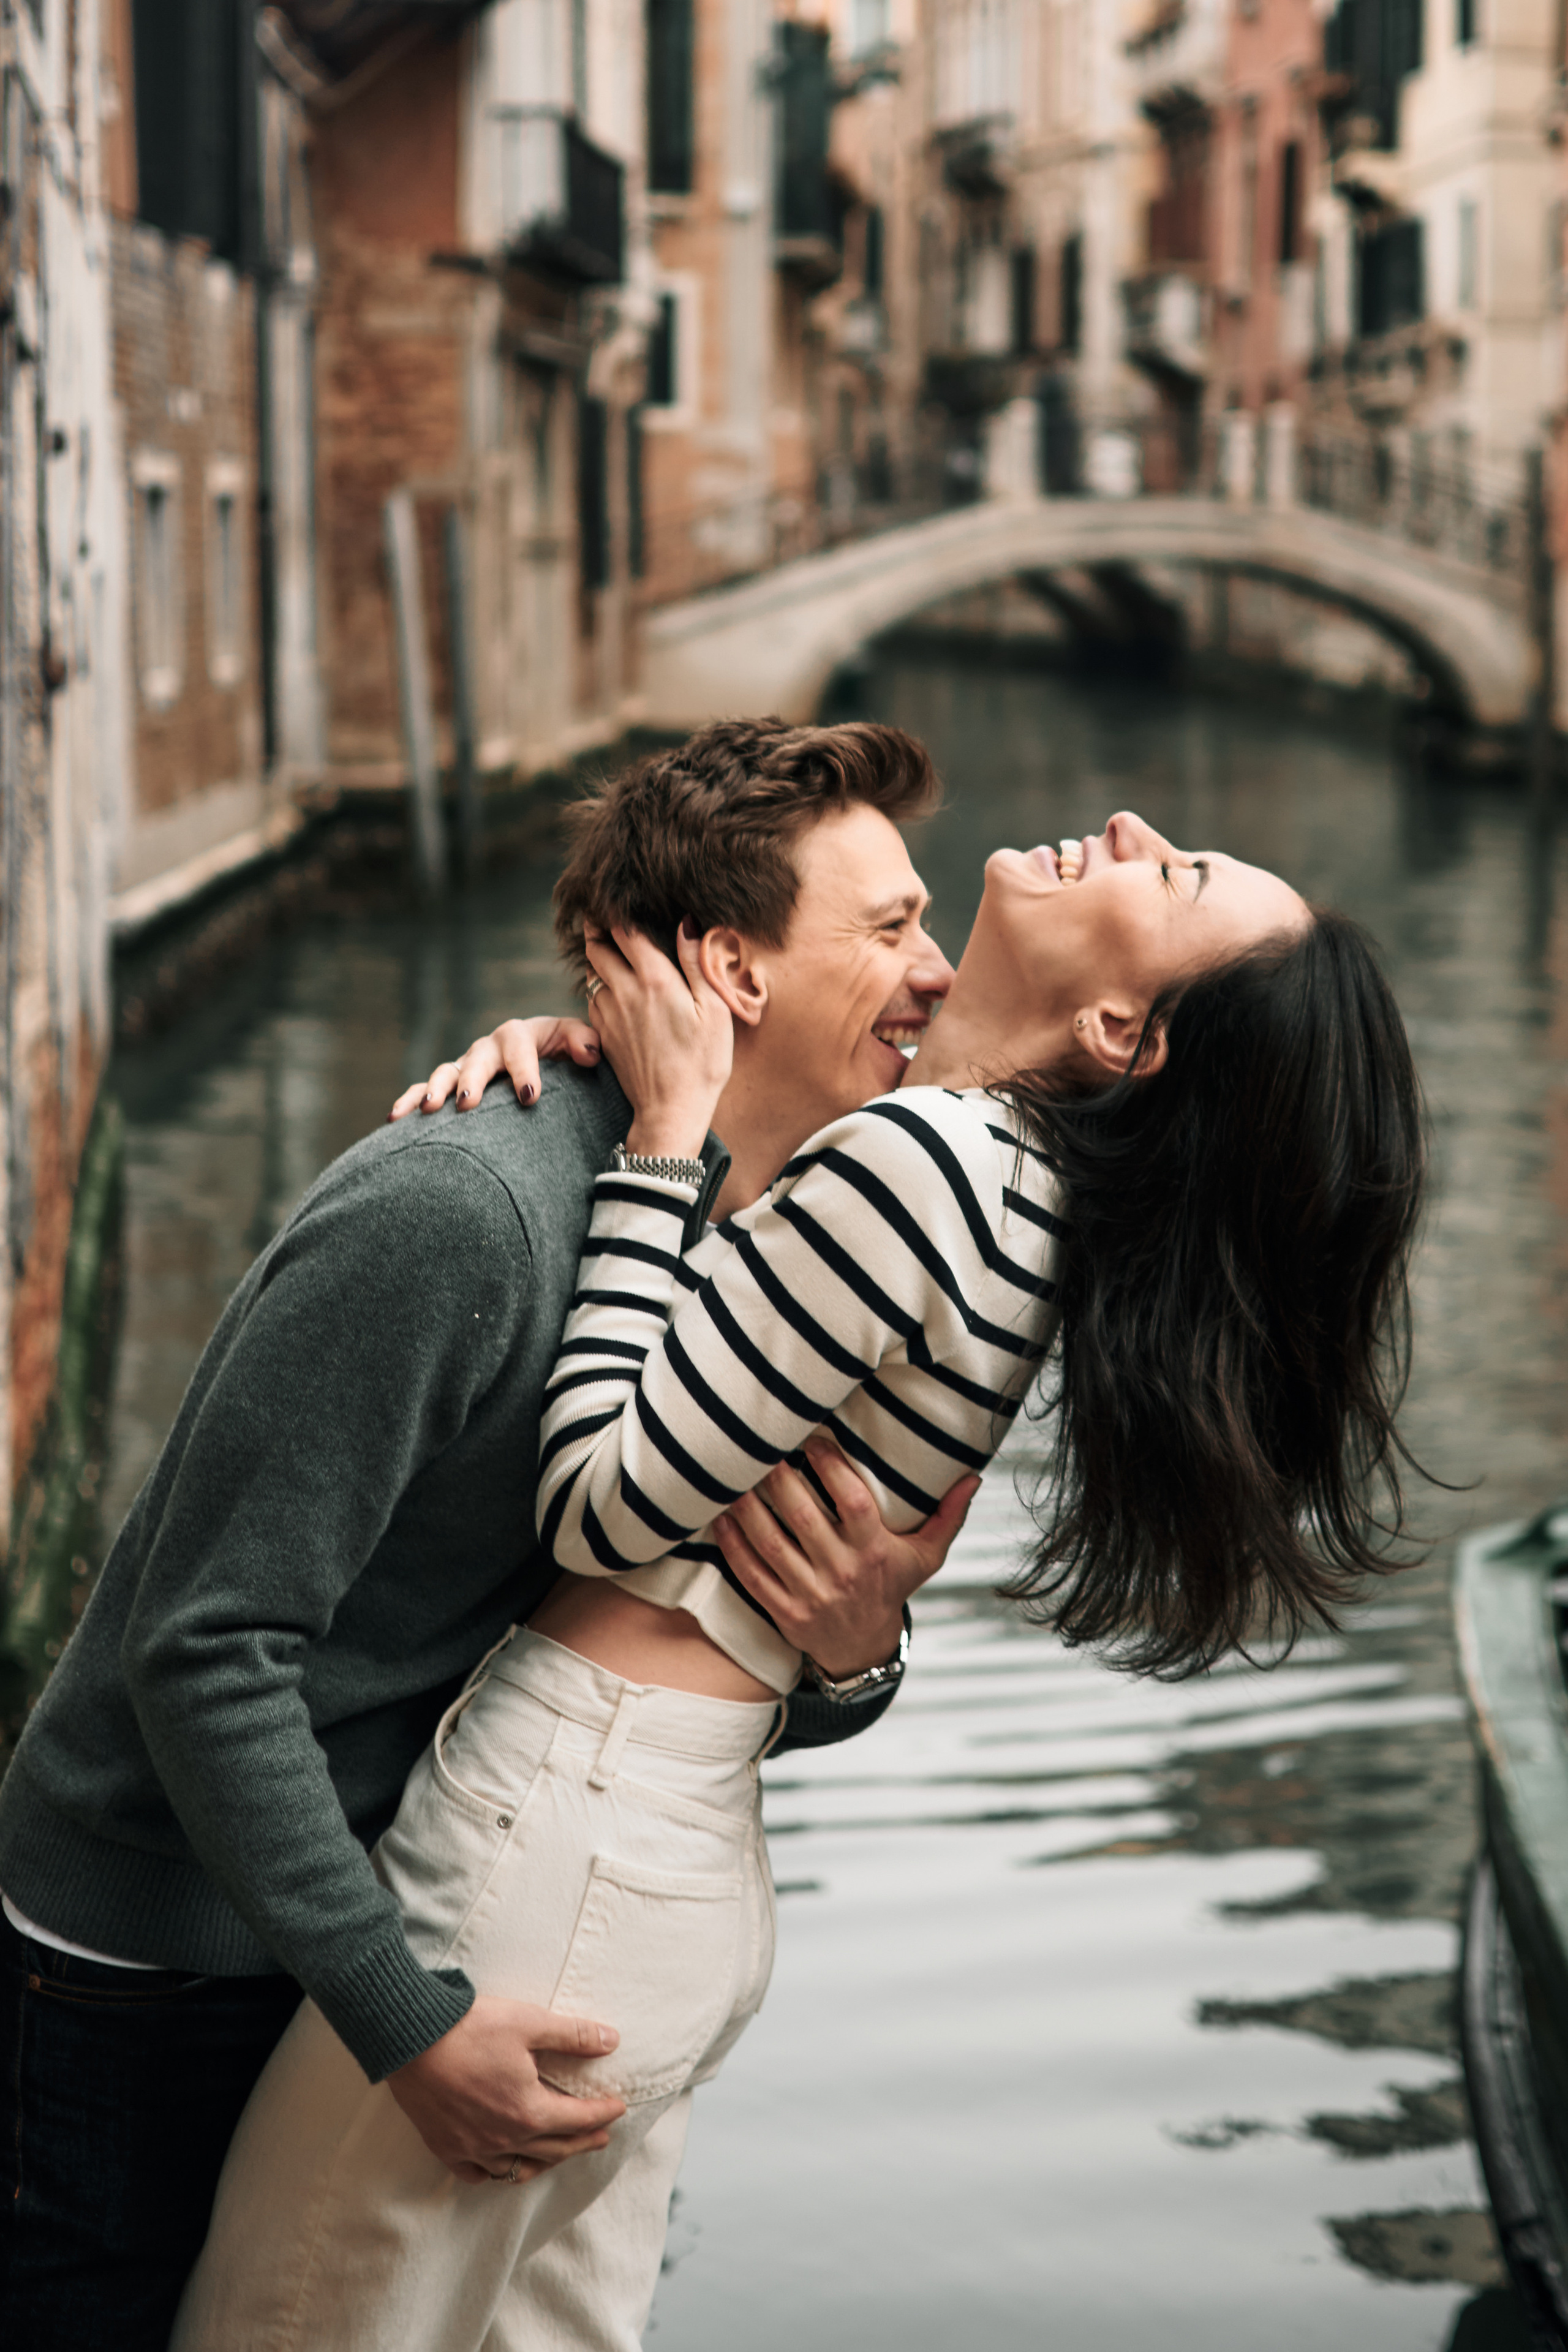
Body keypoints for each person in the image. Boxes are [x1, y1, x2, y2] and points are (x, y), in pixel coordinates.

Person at [173, 811, 1427, 2351]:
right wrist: (607, 1076)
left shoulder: (923, 1164)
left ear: (1120, 1029)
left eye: (1169, 877)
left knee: (281, 2325)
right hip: (672, 1850)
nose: (1131, 829)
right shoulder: (1006, 1185)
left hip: (564, 1841)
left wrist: (653, 1144)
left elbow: (596, 1509)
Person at [0, 721, 976, 2352]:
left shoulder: (738, 1232)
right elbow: (205, 1647)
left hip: (358, 1906)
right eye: (888, 930)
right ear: (731, 966)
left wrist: (858, 1647)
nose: (935, 972)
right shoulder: (461, 1210)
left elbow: (662, 1651)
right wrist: (406, 2027)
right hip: (134, 1968)